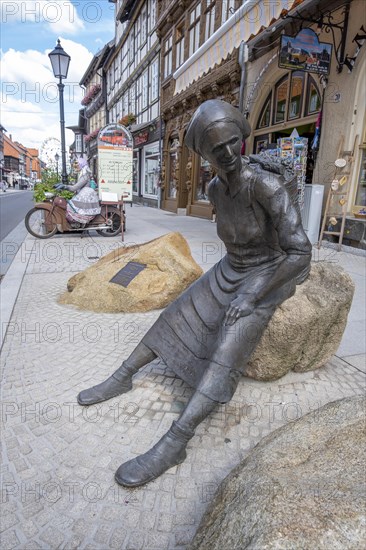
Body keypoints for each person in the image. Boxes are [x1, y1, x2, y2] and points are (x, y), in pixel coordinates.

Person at [77, 100, 312, 487]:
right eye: (216, 149)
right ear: (204, 155)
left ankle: (176, 441)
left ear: (242, 138)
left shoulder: (265, 185)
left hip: (269, 273)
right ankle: (122, 376)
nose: (228, 153)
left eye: (233, 142)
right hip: (232, 268)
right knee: (176, 311)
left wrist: (252, 298)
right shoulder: (216, 188)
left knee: (227, 347)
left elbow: (300, 251)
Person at [56, 158, 101, 225]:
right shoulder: (83, 173)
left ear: (81, 165)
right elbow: (76, 186)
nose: (76, 167)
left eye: (77, 165)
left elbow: (75, 188)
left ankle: (79, 223)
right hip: (84, 196)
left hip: (86, 198)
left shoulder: (85, 175)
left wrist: (64, 186)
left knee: (72, 206)